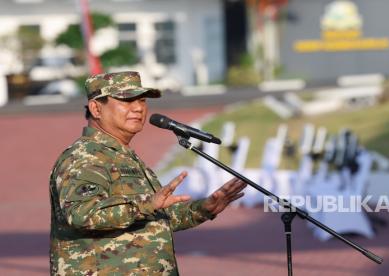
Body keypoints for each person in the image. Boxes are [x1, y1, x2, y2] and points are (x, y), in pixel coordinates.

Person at [49, 71, 247, 275]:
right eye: (126, 101)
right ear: (96, 108)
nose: (138, 108)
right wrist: (147, 204)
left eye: (142, 100)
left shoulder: (121, 156)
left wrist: (204, 208)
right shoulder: (85, 157)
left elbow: (153, 217)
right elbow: (82, 214)